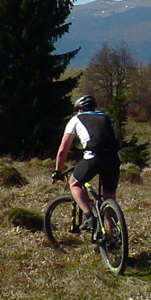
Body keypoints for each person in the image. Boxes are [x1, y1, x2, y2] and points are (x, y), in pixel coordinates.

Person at [53, 94, 121, 232]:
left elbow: (63, 150)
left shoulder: (76, 119)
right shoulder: (106, 116)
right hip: (113, 158)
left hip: (93, 156)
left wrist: (58, 171)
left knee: (74, 183)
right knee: (109, 197)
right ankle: (114, 235)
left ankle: (90, 216)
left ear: (79, 110)